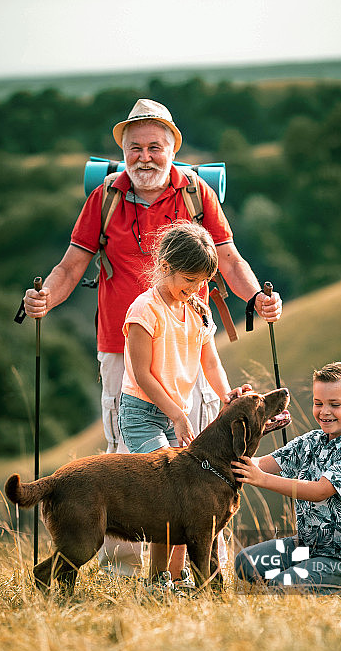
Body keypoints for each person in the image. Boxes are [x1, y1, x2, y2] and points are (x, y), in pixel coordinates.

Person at [23, 98, 282, 574]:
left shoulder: (196, 193)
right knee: (125, 463)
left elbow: (229, 259)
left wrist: (257, 299)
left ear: (172, 148)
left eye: (155, 147)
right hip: (121, 348)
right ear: (123, 152)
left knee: (206, 462)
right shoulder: (105, 198)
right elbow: (70, 266)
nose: (145, 156)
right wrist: (43, 300)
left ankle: (198, 573)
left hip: (186, 346)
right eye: (135, 148)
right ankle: (128, 575)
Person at [119, 221, 251, 584]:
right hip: (143, 413)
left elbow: (210, 361)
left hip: (177, 412)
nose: (195, 289)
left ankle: (175, 579)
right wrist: (177, 414)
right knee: (167, 495)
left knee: (186, 497)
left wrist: (227, 395)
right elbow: (142, 374)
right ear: (165, 267)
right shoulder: (144, 311)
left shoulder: (196, 310)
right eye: (188, 280)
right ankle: (157, 580)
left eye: (202, 282)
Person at [233, 362, 341, 593]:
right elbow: (262, 463)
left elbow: (320, 491)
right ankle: (308, 574)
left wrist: (261, 479)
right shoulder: (310, 441)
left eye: (335, 404)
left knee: (283, 587)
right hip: (306, 547)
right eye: (318, 403)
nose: (324, 411)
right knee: (244, 563)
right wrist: (244, 409)